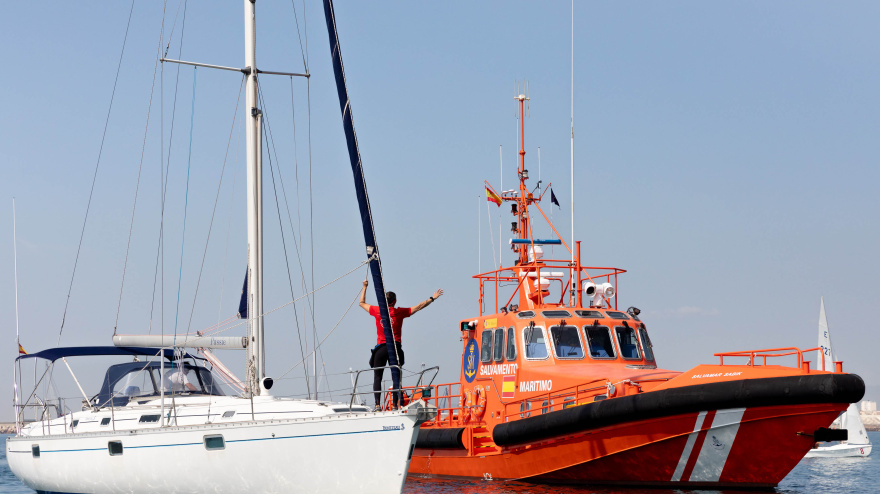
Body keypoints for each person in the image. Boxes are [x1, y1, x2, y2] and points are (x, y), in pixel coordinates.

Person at [360, 279, 442, 409]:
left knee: (377, 377)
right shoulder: (399, 312)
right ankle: (395, 405)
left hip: (381, 348)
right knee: (396, 377)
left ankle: (377, 405)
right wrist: (433, 298)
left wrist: (365, 287)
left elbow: (361, 303)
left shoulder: (377, 310)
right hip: (395, 348)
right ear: (395, 302)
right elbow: (419, 307)